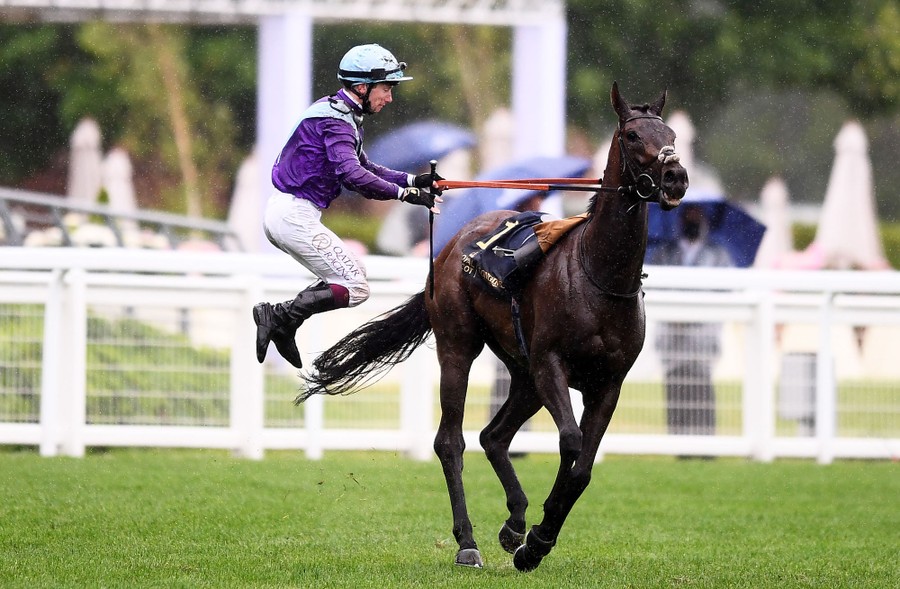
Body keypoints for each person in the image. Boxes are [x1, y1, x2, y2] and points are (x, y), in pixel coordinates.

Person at [253, 44, 443, 368]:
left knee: (353, 278)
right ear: (362, 87)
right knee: (355, 287)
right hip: (292, 217)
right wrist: (403, 195)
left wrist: (413, 181)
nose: (389, 97)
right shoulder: (337, 122)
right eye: (386, 88)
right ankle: (278, 316)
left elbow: (365, 166)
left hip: (290, 214)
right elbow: (353, 175)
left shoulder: (342, 114)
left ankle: (283, 322)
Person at [650, 203, 734, 436]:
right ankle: (679, 442)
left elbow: (724, 292)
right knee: (675, 390)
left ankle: (705, 442)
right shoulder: (663, 254)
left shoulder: (718, 255)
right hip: (671, 338)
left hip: (702, 338)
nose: (692, 220)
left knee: (701, 391)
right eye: (688, 215)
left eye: (697, 215)